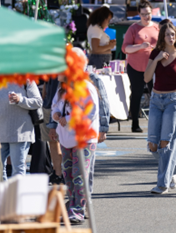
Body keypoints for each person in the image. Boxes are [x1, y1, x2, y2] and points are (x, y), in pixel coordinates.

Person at [141, 24, 176, 194]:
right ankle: (172, 170)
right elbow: (147, 77)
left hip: (174, 100)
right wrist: (156, 60)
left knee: (166, 142)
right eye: (168, 35)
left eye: (174, 35)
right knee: (153, 144)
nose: (171, 37)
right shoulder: (155, 54)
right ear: (162, 37)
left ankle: (162, 184)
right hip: (156, 100)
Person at [50, 48, 100, 224]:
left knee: (80, 174)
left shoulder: (86, 87)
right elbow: (56, 106)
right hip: (66, 138)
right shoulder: (62, 88)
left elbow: (90, 112)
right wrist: (56, 115)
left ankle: (78, 208)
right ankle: (74, 204)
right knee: (68, 174)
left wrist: (68, 119)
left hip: (83, 139)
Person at [122, 0, 160, 133]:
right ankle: (135, 123)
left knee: (155, 94)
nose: (146, 16)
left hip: (153, 67)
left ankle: (157, 122)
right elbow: (125, 48)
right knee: (136, 94)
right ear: (139, 14)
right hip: (135, 66)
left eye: (148, 13)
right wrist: (140, 46)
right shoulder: (133, 28)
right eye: (143, 14)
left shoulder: (156, 27)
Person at [0, 81, 42, 180]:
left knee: (18, 169)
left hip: (20, 132)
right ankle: (3, 194)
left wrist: (20, 100)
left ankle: (17, 195)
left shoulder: (26, 79)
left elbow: (38, 102)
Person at [40, 79, 64, 184]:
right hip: (48, 105)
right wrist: (44, 98)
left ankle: (62, 173)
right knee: (52, 142)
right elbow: (45, 82)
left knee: (59, 142)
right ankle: (57, 172)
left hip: (58, 108)